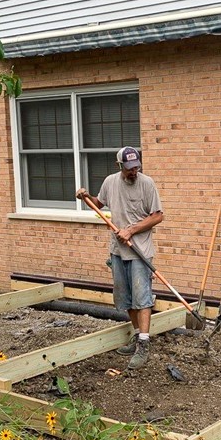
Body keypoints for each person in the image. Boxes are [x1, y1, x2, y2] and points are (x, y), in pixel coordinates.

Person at [76, 146, 163, 369]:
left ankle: (144, 344)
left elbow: (157, 216)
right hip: (117, 250)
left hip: (139, 251)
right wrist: (86, 197)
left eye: (136, 167)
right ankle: (137, 335)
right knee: (126, 297)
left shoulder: (147, 184)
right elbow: (98, 203)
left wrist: (131, 230)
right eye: (129, 168)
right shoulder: (110, 182)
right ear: (120, 166)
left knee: (142, 297)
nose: (134, 171)